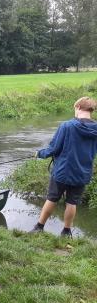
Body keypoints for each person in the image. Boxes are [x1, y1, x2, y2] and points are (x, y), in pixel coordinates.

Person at [31, 97, 97, 237]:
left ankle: (39, 227)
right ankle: (66, 232)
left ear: (78, 107)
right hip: (83, 172)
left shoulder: (67, 126)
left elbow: (53, 148)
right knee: (72, 202)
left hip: (63, 172)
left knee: (52, 198)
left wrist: (39, 154)